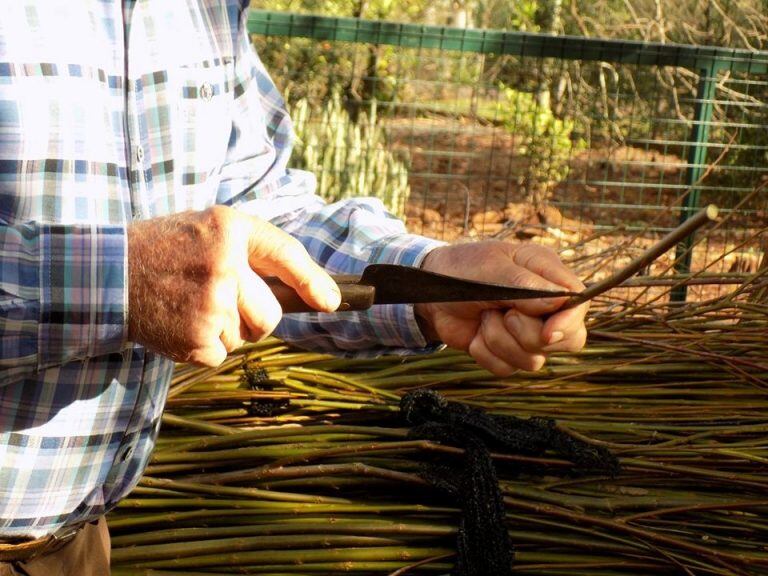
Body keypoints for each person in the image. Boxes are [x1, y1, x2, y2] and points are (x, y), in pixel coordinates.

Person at [0, 1, 588, 574]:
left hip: (75, 546)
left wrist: (433, 280)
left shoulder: (202, 10)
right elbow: (152, 268)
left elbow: (264, 217)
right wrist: (120, 281)